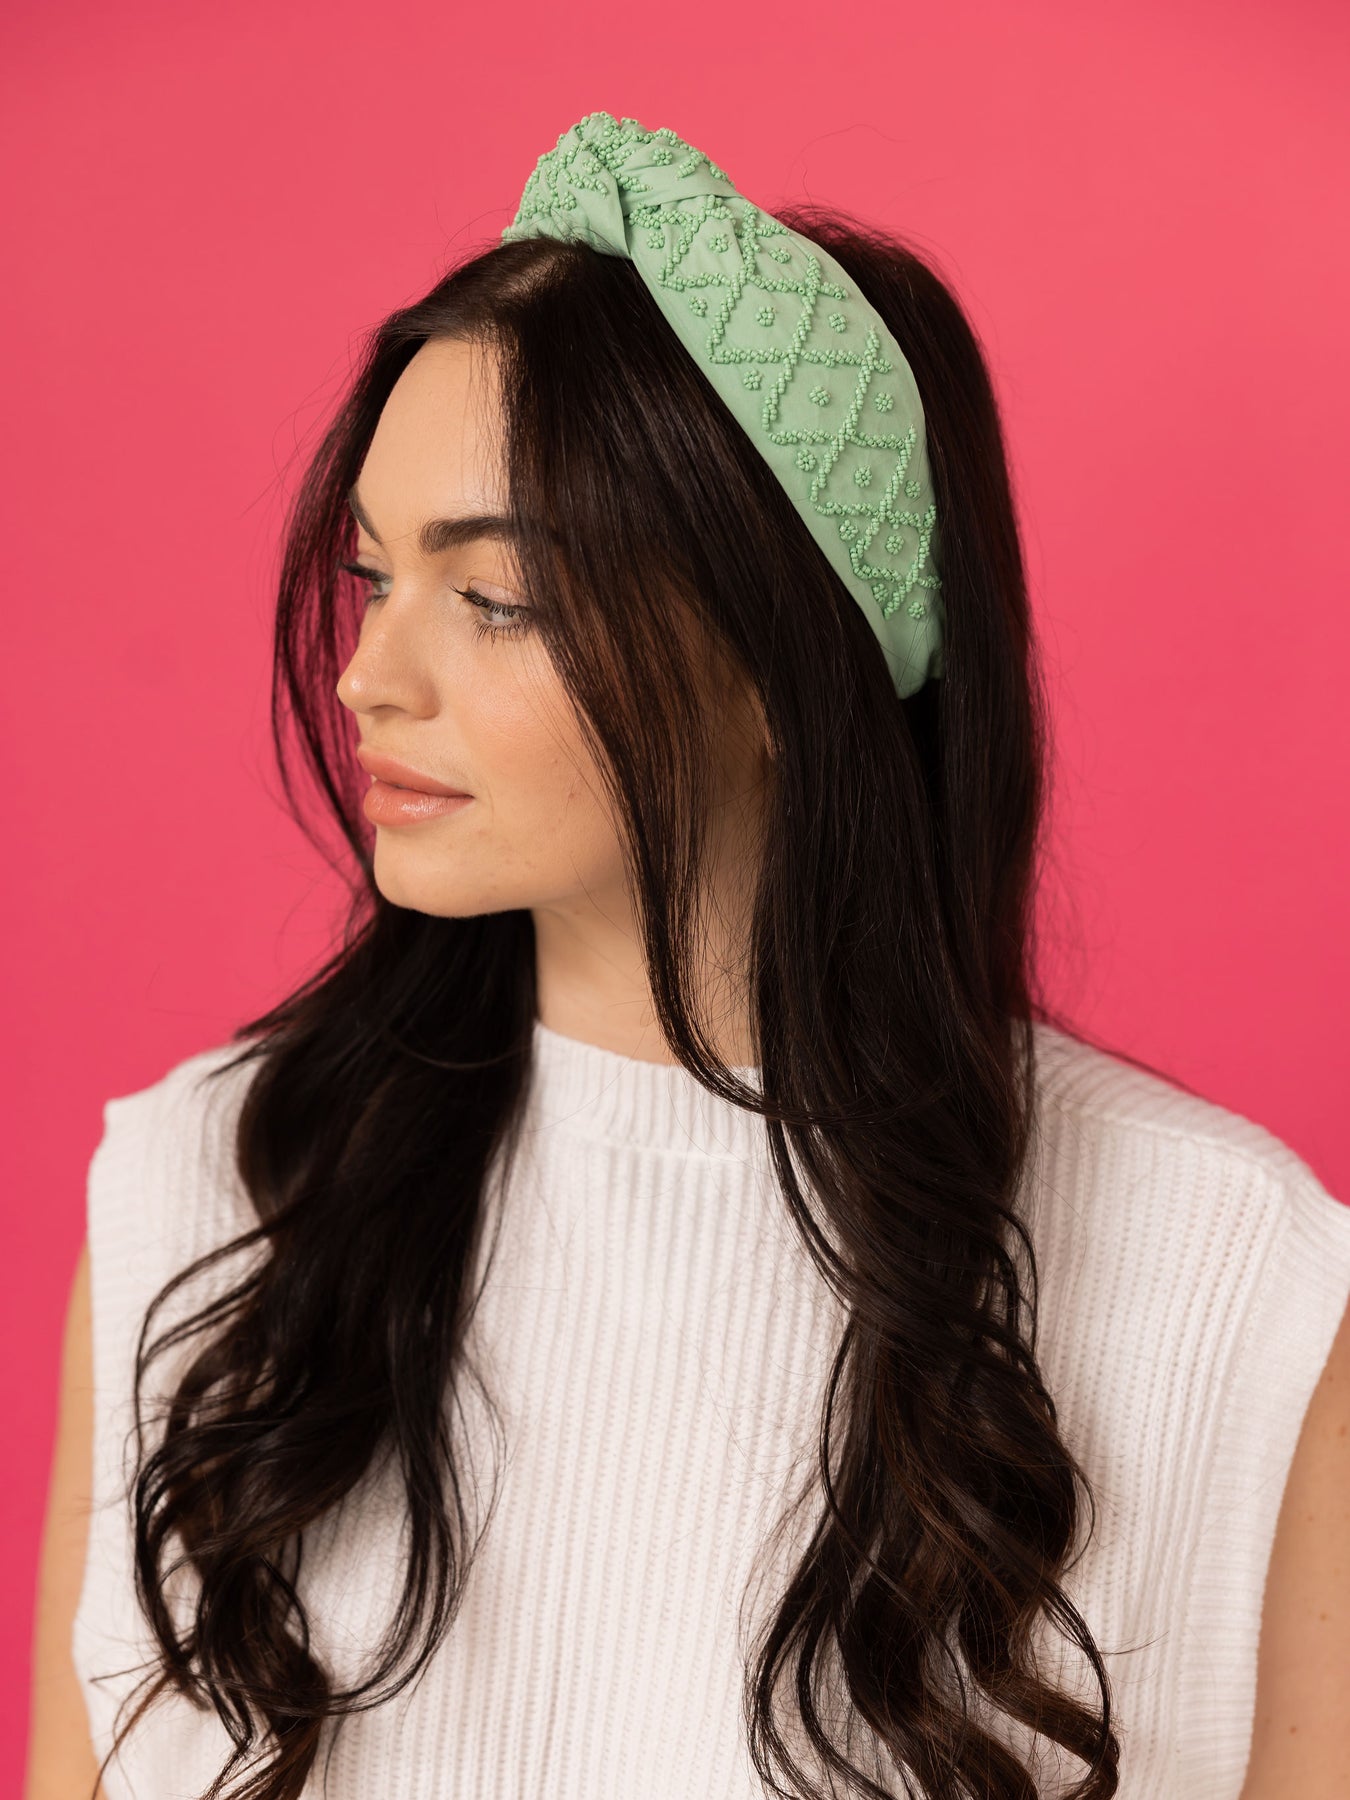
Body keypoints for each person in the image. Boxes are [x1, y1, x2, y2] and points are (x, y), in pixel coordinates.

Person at [26, 113, 1350, 1800]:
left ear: (783, 659)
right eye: (372, 577)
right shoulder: (213, 1187)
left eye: (493, 598)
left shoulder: (1222, 1271)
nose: (371, 676)